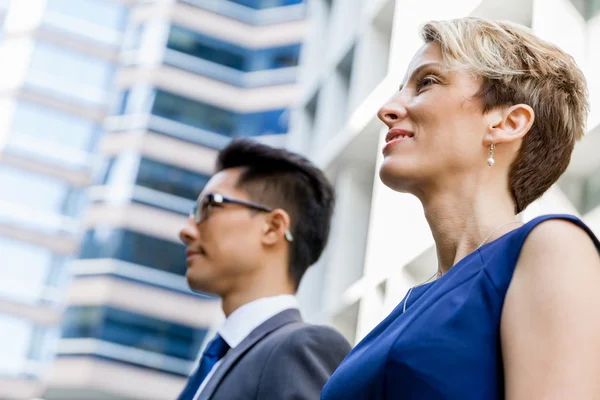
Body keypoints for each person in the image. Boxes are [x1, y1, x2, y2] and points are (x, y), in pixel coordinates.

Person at [321, 17, 600, 400]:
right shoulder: (405, 306)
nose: (388, 109)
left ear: (507, 122)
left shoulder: (554, 247)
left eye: (427, 82)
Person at [176, 138, 351, 400]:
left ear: (272, 227)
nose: (186, 231)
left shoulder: (300, 348)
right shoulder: (216, 363)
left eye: (209, 206)